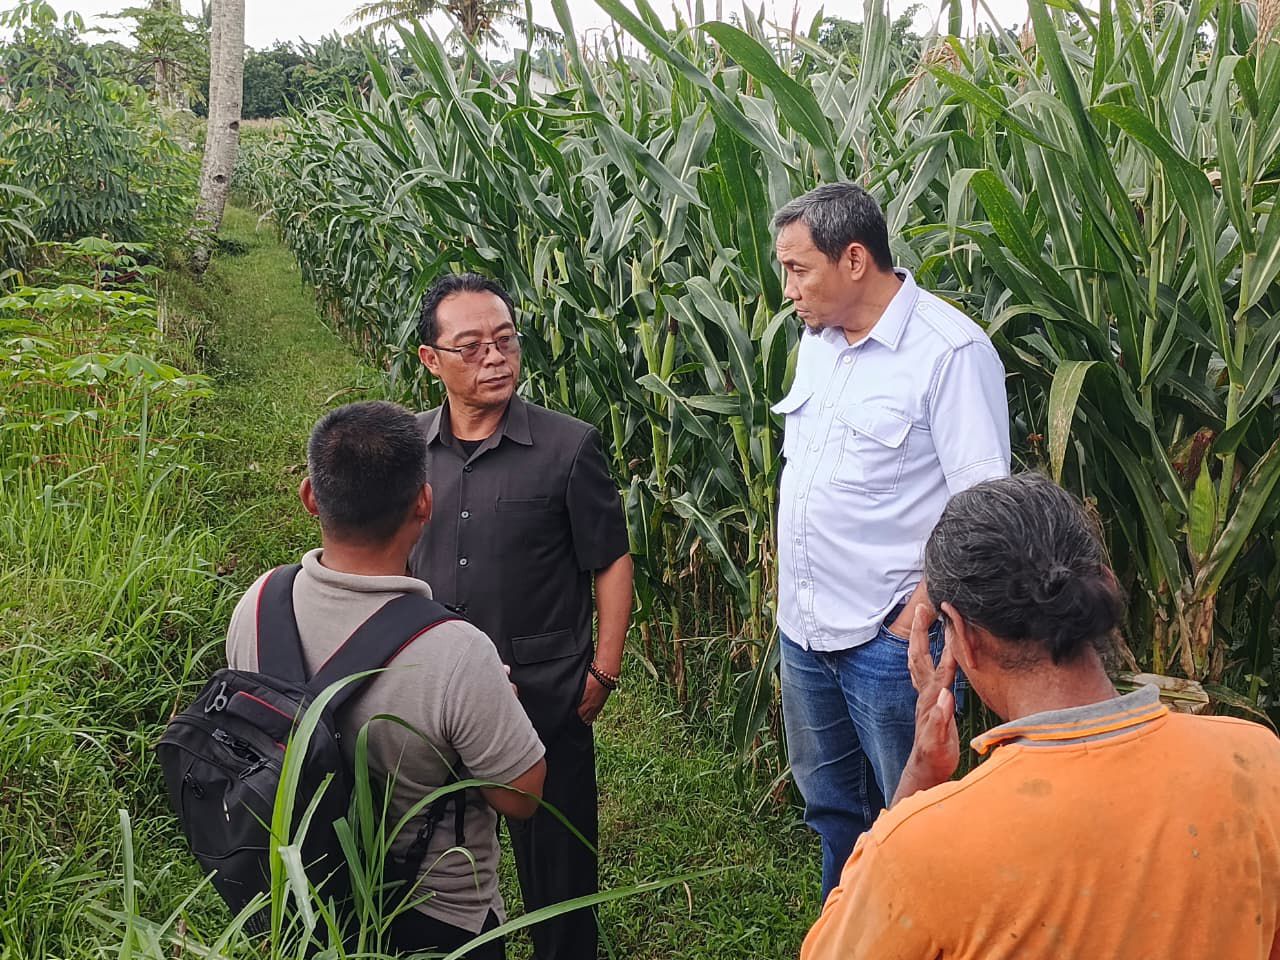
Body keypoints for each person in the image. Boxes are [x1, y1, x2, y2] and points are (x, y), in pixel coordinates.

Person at [801, 473, 1280, 959]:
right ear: (1105, 584)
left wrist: (917, 781)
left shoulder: (919, 851)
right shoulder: (1259, 759)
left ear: (963, 635)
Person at [224, 400, 547, 957]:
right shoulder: (457, 652)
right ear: (424, 503)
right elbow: (521, 797)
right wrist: (500, 701)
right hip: (435, 920)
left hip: (296, 904)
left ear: (309, 497)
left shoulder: (258, 601)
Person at [771, 181, 1011, 901]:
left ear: (853, 259)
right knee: (832, 809)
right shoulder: (817, 342)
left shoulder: (949, 352)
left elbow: (982, 504)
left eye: (797, 269)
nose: (788, 291)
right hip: (805, 634)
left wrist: (923, 607)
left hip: (890, 645)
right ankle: (845, 931)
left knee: (916, 818)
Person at [409, 273, 634, 960]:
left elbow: (611, 560)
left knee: (559, 872)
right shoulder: (408, 449)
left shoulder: (568, 449)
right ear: (431, 360)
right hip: (435, 694)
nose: (495, 358)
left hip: (545, 692)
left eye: (505, 341)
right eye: (472, 346)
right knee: (441, 863)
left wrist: (604, 667)